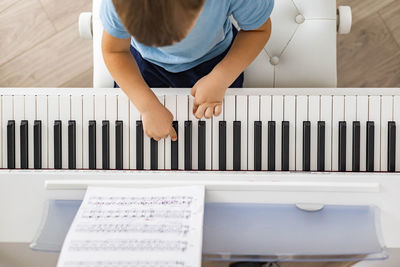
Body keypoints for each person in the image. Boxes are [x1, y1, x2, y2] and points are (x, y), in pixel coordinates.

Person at [100, 0, 273, 141]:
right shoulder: (117, 4)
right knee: (127, 125)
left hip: (213, 58)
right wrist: (146, 106)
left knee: (223, 131)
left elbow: (258, 30)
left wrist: (220, 78)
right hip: (143, 61)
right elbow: (114, 51)